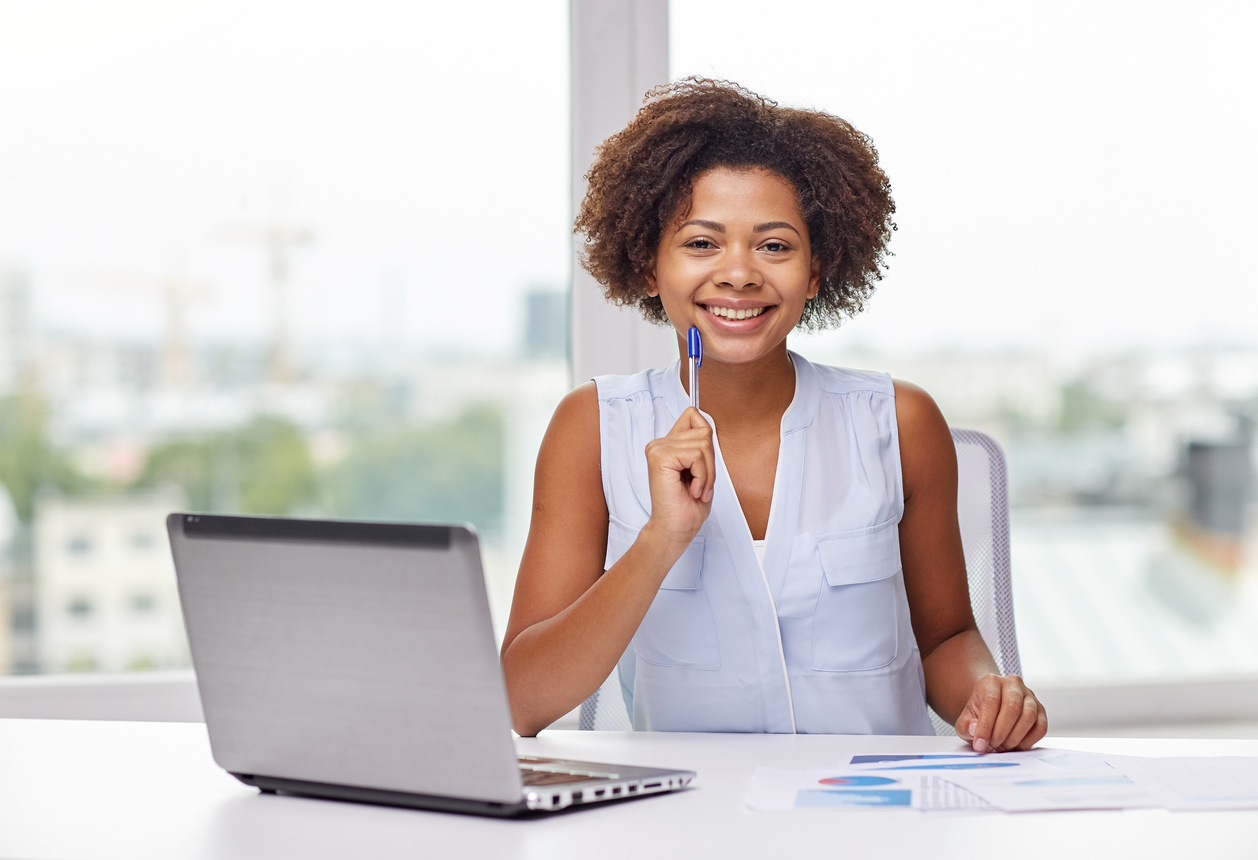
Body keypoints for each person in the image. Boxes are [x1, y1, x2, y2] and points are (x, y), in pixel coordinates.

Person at [500, 78, 1047, 751]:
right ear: (649, 268)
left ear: (817, 271)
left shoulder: (900, 422)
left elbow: (946, 639)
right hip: (692, 822)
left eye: (775, 246)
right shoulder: (592, 428)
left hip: (877, 815)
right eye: (701, 244)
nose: (738, 274)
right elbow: (522, 702)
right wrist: (658, 541)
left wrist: (989, 698)